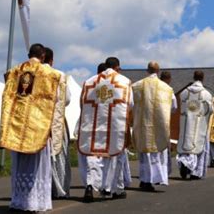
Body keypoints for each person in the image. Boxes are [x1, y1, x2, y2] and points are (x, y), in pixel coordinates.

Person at [0, 43, 64, 212]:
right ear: (43, 57)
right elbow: (57, 100)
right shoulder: (51, 74)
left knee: (19, 166)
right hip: (38, 128)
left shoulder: (14, 72)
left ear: (29, 54)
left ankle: (18, 201)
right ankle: (34, 203)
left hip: (17, 127)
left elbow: (7, 97)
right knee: (36, 167)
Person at [77, 57, 133, 202]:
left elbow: (82, 103)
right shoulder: (124, 81)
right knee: (114, 157)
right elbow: (130, 104)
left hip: (93, 126)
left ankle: (90, 185)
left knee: (93, 157)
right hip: (114, 126)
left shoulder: (90, 81)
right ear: (117, 67)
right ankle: (113, 189)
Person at [132, 62, 176, 192]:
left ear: (147, 70)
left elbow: (130, 104)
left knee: (145, 155)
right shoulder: (167, 88)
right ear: (158, 71)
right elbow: (174, 107)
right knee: (156, 154)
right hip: (159, 126)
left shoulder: (136, 86)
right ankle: (153, 179)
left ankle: (144, 180)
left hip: (142, 125)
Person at [44, 47, 72, 198]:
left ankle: (42, 188)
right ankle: (59, 189)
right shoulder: (59, 75)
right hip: (55, 119)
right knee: (59, 154)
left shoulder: (33, 73)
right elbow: (66, 99)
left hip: (37, 121)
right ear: (51, 60)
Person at [177, 71, 213, 180]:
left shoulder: (184, 93)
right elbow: (210, 110)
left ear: (193, 77)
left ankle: (184, 163)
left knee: (186, 145)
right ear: (203, 78)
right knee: (199, 146)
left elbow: (182, 108)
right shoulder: (206, 94)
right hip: (199, 123)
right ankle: (196, 172)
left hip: (187, 124)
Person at [160, 71, 177, 175]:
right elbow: (174, 107)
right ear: (168, 79)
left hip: (150, 122)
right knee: (163, 145)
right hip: (163, 121)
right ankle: (163, 171)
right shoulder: (169, 90)